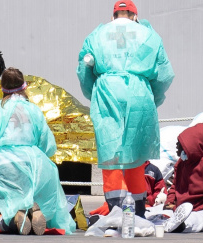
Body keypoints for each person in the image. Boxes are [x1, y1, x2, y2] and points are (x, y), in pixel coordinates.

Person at [76, 0, 174, 218]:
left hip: (106, 91)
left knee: (111, 154)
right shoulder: (150, 35)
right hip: (139, 93)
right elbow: (165, 75)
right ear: (135, 16)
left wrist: (95, 93)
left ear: (113, 16)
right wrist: (152, 98)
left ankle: (116, 212)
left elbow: (84, 71)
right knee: (135, 156)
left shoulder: (96, 35)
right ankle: (137, 212)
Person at [0, 67, 76, 235]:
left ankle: (16, 214)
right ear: (24, 87)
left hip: (4, 161)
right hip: (34, 161)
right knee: (34, 184)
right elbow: (47, 144)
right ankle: (33, 208)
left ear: (2, 88)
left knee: (8, 195)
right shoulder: (34, 110)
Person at [162, 123, 203, 233]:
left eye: (181, 144)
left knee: (198, 219)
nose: (177, 146)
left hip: (199, 208)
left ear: (193, 145)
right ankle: (170, 223)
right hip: (180, 206)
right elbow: (175, 185)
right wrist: (169, 202)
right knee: (154, 212)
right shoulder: (181, 163)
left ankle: (182, 225)